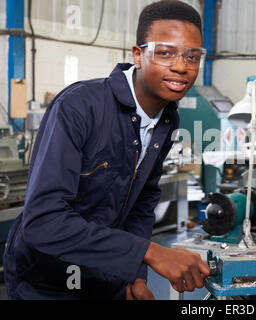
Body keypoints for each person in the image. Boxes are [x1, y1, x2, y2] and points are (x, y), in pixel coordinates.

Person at [3, 0, 210, 300]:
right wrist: (151, 254)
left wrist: (135, 276)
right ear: (138, 55)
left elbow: (142, 202)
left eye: (192, 57)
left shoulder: (167, 118)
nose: (181, 66)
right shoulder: (78, 107)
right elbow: (43, 221)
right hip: (47, 281)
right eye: (165, 53)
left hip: (105, 275)